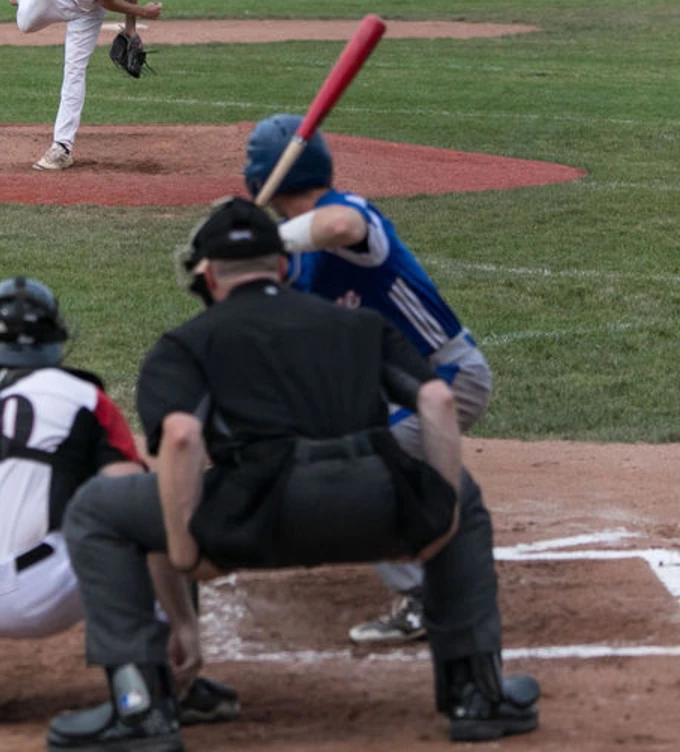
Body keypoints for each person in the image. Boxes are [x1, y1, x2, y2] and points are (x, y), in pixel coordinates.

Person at [47, 197, 539, 750]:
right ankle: (477, 692)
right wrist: (439, 512)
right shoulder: (359, 323)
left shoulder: (184, 344)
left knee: (99, 508)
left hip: (255, 518)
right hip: (375, 507)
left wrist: (186, 550)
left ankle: (140, 704)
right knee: (463, 497)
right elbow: (438, 402)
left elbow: (182, 440)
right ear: (283, 266)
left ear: (206, 277)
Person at [0, 277, 236, 727]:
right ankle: (160, 680)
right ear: (57, 345)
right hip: (48, 596)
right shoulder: (85, 399)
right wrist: (184, 622)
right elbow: (136, 505)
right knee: (139, 516)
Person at [242, 115, 495, 646]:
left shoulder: (350, 214)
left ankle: (426, 596)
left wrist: (263, 239)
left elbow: (340, 229)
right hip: (397, 389)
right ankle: (432, 537)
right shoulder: (302, 263)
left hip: (447, 377)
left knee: (352, 477)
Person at [8, 0, 161, 171]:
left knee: (75, 71)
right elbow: (108, 0)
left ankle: (61, 148)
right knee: (25, 24)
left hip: (90, 13)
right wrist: (144, 11)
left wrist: (131, 28)